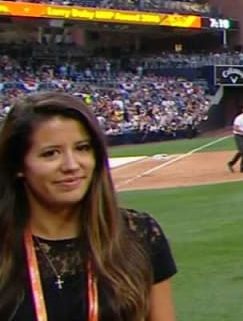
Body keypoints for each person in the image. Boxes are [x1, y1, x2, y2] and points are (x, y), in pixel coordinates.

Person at [0, 91, 177, 320]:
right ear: (18, 166)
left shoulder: (139, 234)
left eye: (82, 148)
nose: (72, 165)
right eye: (50, 153)